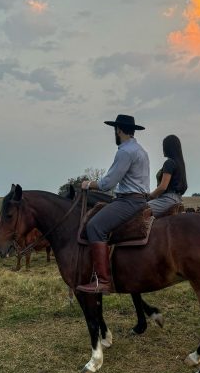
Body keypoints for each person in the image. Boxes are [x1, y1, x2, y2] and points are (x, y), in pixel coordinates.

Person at [77, 115, 150, 294]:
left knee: (95, 226)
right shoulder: (140, 150)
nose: (114, 133)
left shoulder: (125, 152)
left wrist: (88, 184)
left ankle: (103, 281)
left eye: (115, 130)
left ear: (118, 130)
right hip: (139, 199)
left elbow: (108, 183)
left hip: (128, 201)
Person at [148, 134, 187, 217]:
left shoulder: (169, 163)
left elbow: (163, 187)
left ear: (168, 148)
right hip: (178, 199)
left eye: (163, 146)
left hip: (167, 200)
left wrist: (150, 196)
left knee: (139, 210)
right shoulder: (180, 164)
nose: (163, 149)